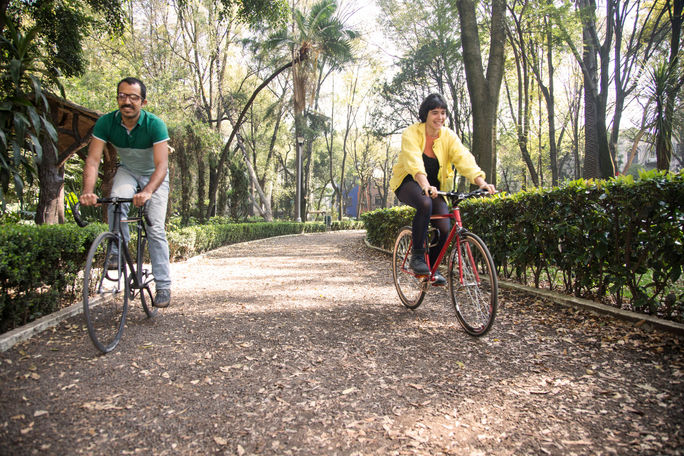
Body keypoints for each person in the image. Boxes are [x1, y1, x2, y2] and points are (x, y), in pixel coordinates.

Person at [80, 77, 172, 308]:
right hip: (128, 171)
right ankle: (117, 249)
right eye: (122, 96)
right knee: (115, 201)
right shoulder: (106, 123)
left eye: (133, 97)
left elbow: (162, 166)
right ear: (117, 98)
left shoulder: (155, 124)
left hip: (154, 174)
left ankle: (163, 286)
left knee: (155, 228)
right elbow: (92, 160)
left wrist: (149, 191)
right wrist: (88, 191)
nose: (127, 101)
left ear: (143, 101)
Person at [389, 93, 496, 286]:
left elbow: (464, 158)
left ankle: (432, 267)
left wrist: (481, 182)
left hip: (434, 188)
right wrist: (424, 185)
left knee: (445, 227)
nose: (440, 117)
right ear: (426, 114)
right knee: (424, 202)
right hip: (409, 182)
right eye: (435, 112)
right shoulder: (412, 133)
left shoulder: (448, 136)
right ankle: (418, 257)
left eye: (443, 113)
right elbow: (413, 161)